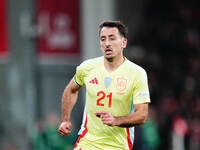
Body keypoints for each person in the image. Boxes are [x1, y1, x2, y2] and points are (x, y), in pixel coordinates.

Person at [58, 20, 151, 150]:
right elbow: (71, 90)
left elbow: (142, 114)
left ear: (124, 42)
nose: (107, 43)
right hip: (87, 142)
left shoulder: (137, 73)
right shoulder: (87, 67)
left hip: (118, 146)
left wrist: (116, 120)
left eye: (112, 38)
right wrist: (65, 119)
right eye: (103, 39)